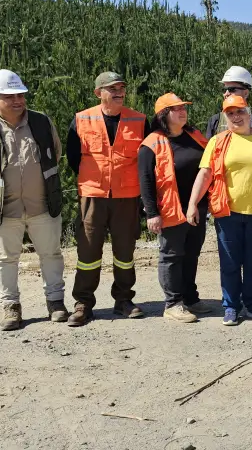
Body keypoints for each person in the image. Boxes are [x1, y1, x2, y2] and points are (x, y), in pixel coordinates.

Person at [0, 69, 65, 331]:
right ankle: (10, 307)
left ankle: (55, 303)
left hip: (42, 204)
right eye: (10, 96)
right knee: (5, 259)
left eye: (21, 95)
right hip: (3, 209)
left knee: (51, 254)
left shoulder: (42, 123)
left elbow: (56, 153)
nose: (18, 100)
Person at [65, 72, 149, 326]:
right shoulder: (81, 119)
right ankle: (83, 303)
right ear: (98, 93)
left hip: (127, 197)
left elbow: (147, 160)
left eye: (121, 88)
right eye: (112, 88)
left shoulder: (139, 120)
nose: (119, 92)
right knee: (88, 252)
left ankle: (123, 300)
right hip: (92, 196)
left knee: (125, 253)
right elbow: (73, 158)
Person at [187, 95, 252, 326]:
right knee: (230, 262)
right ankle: (231, 307)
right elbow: (205, 174)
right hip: (227, 212)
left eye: (240, 111)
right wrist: (193, 204)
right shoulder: (218, 141)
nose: (236, 117)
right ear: (225, 116)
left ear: (249, 112)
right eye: (231, 113)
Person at [138, 93, 213, 323]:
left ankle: (190, 298)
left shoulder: (195, 135)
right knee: (171, 256)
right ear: (163, 115)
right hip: (170, 209)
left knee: (192, 254)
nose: (182, 112)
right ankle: (173, 303)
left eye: (183, 108)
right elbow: (146, 180)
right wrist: (152, 214)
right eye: (176, 109)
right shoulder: (151, 142)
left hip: (197, 210)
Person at [205, 66, 252, 137]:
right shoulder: (215, 121)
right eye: (224, 90)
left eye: (232, 89)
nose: (226, 94)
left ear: (246, 93)